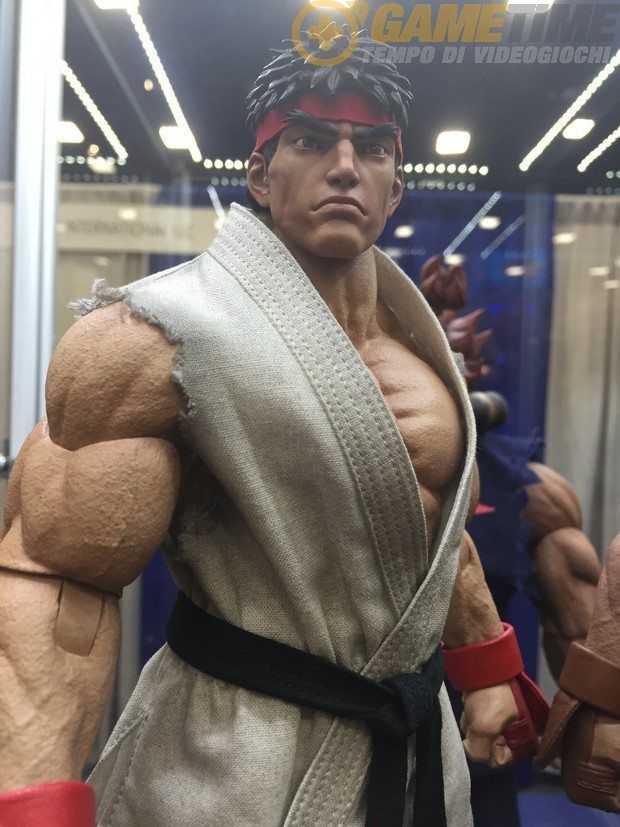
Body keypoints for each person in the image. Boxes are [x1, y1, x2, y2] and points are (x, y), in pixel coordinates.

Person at [0, 32, 544, 827]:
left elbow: (423, 534)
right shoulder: (155, 337)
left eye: (372, 148)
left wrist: (485, 665)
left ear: (395, 187)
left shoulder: (422, 354)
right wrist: (33, 801)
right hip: (228, 762)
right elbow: (57, 585)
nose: (345, 166)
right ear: (261, 175)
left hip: (413, 752)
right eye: (312, 141)